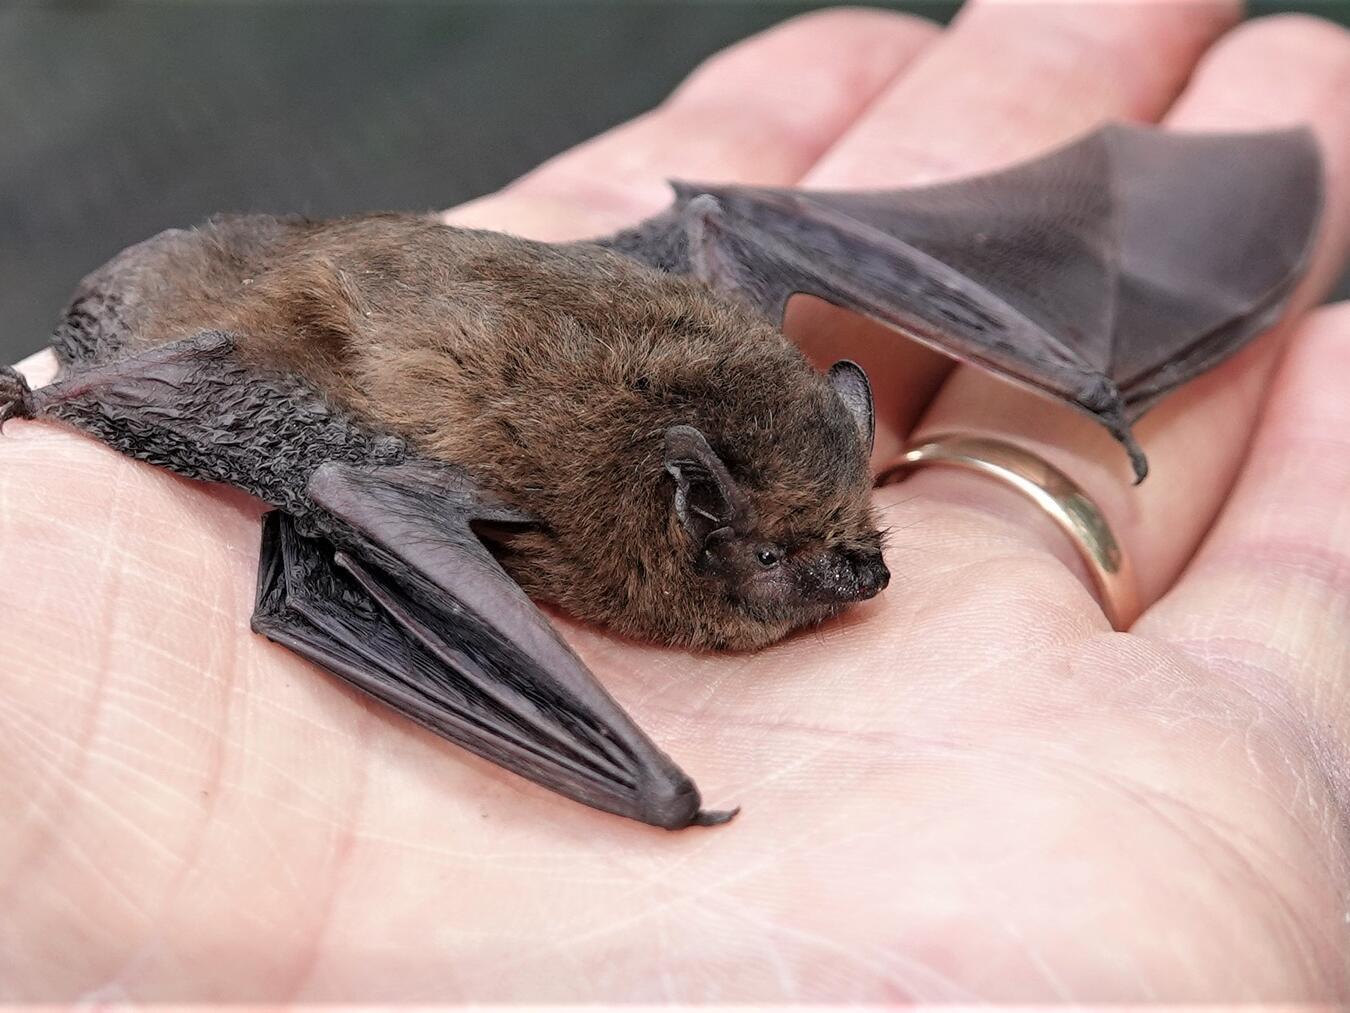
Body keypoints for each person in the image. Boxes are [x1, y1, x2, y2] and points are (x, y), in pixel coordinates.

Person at [4, 2, 1349, 1000]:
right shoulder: (515, 501)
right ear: (694, 522)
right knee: (343, 486)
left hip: (502, 298)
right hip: (273, 327)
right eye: (790, 555)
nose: (850, 578)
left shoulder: (727, 331)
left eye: (844, 541)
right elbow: (354, 485)